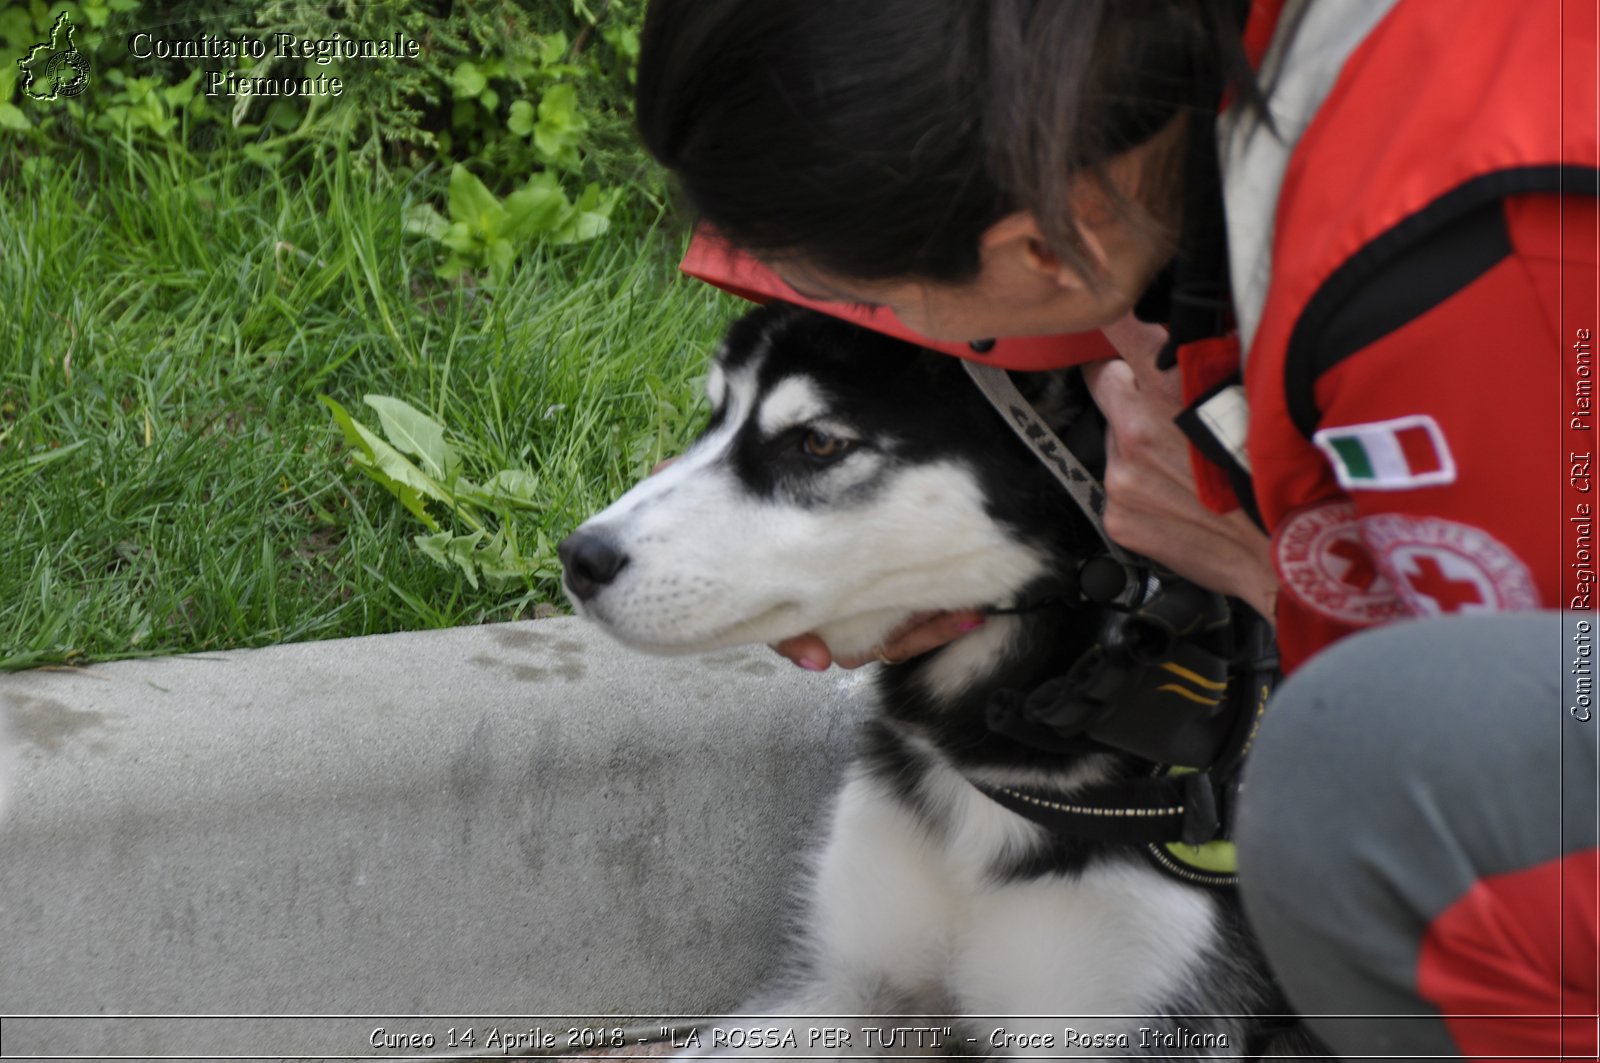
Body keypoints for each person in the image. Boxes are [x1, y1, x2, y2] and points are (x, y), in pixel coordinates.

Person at [633, 0, 1599, 1057]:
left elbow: (1553, 727)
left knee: (1367, 765)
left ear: (1051, 246)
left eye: (871, 298)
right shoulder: (1159, 75)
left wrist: (1276, 567)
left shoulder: (1474, 283)